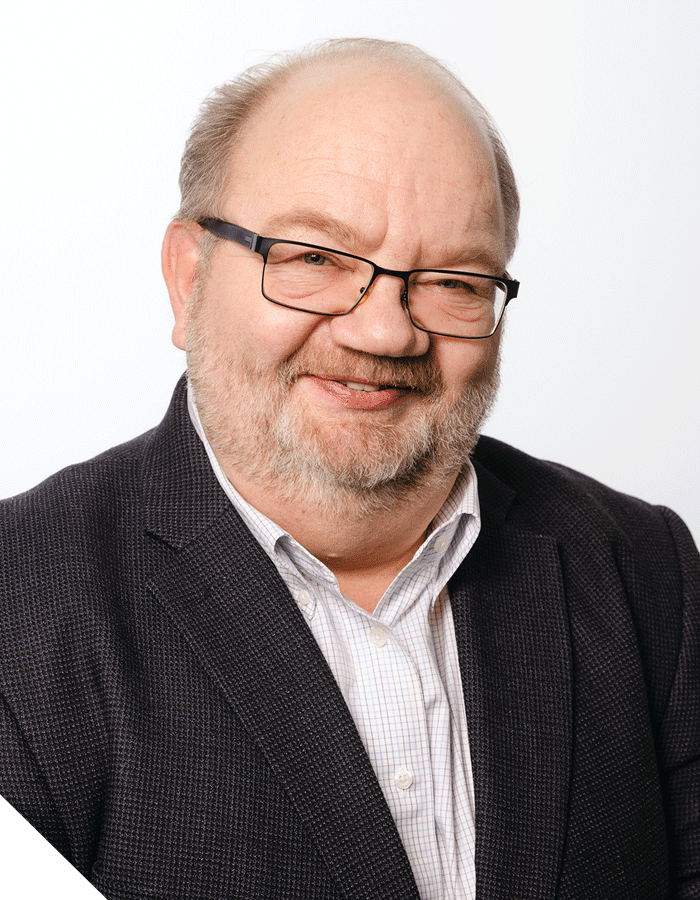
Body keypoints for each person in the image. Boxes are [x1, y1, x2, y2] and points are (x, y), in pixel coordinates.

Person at [0, 37, 697, 900]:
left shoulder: (647, 569)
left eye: (454, 279)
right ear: (188, 279)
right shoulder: (16, 601)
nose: (384, 334)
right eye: (316, 260)